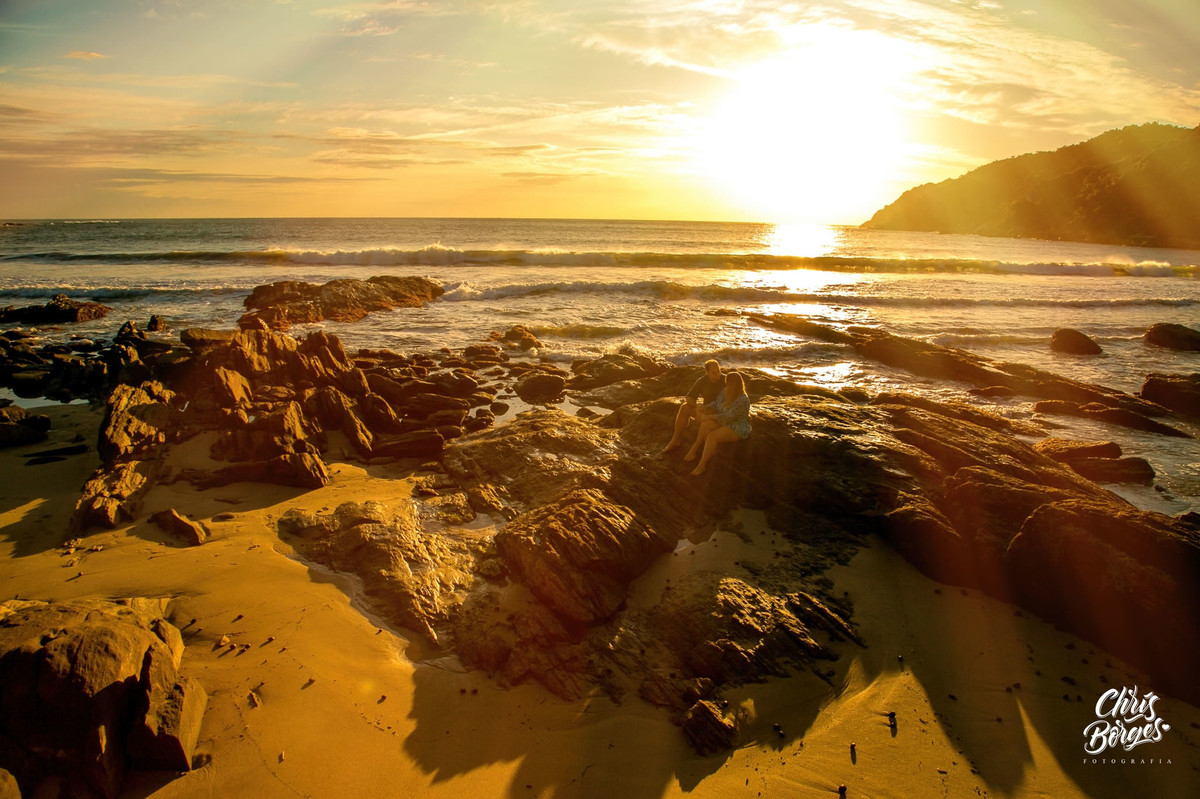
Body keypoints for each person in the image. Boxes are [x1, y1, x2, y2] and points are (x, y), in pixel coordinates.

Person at [685, 371, 751, 476]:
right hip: (723, 421)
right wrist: (705, 407)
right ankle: (696, 448)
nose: (726, 385)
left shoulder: (743, 399)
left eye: (728, 383)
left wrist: (710, 416)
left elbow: (730, 416)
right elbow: (716, 403)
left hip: (737, 426)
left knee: (712, 436)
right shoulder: (726, 391)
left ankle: (702, 465)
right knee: (705, 425)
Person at [662, 359, 725, 454]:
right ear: (707, 372)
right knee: (684, 407)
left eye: (718, 371)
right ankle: (675, 440)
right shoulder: (702, 381)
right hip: (705, 412)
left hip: (720, 415)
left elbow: (735, 400)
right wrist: (697, 407)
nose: (717, 374)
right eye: (714, 372)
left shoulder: (726, 380)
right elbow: (690, 398)